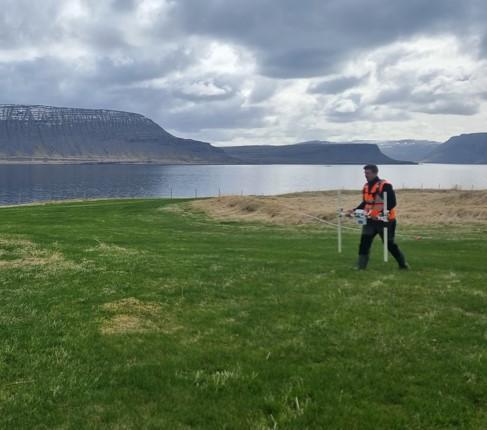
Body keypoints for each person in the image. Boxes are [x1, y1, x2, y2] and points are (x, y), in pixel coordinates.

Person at [348, 164, 409, 270]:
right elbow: (365, 203)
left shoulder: (385, 185)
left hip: (386, 221)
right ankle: (361, 266)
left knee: (389, 244)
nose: (366, 175)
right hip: (369, 221)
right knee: (364, 242)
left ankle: (403, 264)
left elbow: (392, 203)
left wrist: (379, 214)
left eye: (368, 173)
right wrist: (354, 210)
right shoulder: (366, 186)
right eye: (365, 173)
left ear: (375, 173)